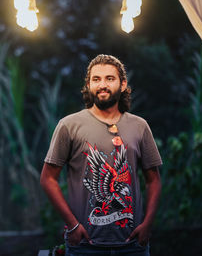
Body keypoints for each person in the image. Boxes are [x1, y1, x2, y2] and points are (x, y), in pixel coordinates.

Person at [40, 54, 162, 255]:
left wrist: (148, 224)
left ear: (122, 85)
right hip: (86, 247)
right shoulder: (69, 125)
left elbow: (154, 180)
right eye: (96, 79)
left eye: (109, 79)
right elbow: (48, 179)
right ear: (88, 85)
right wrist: (72, 225)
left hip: (132, 247)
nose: (102, 85)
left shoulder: (139, 126)